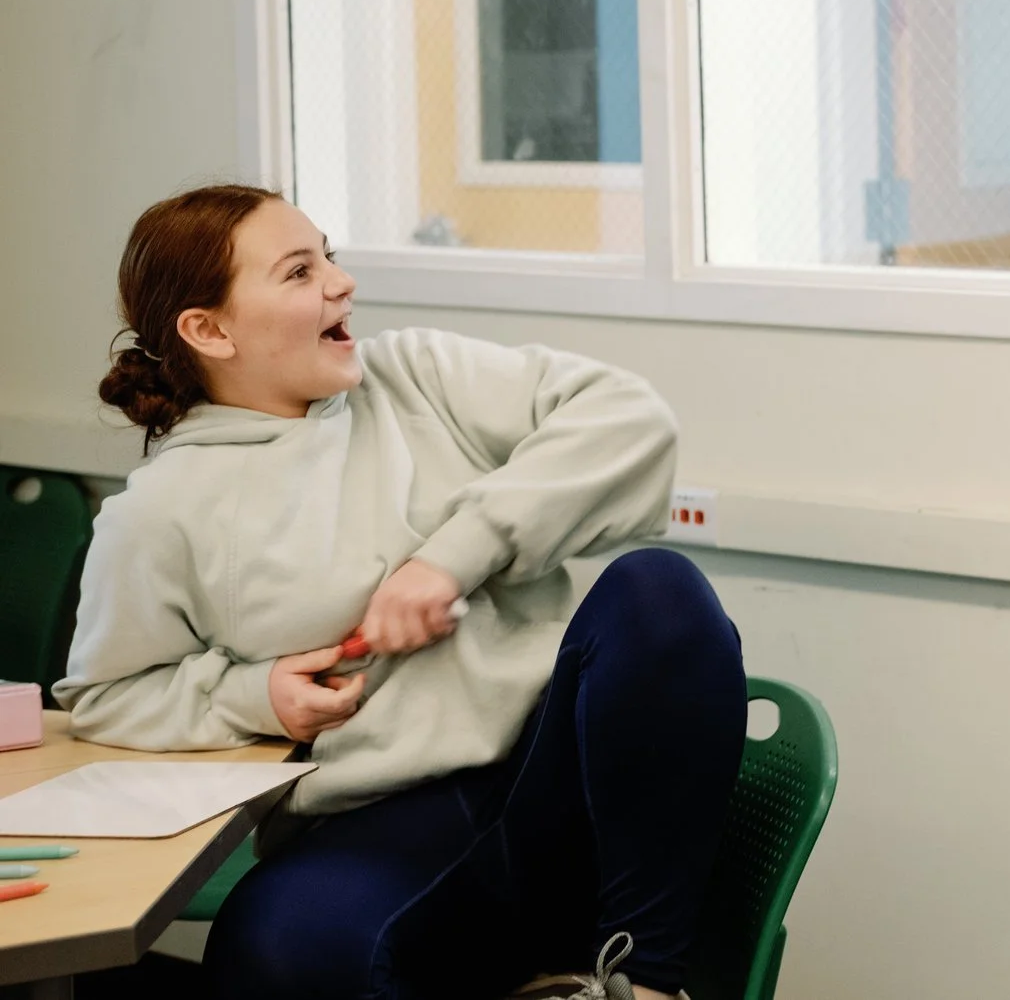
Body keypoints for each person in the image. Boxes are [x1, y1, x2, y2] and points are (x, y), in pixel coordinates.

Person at [58, 184, 747, 1000]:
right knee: (271, 947)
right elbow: (106, 696)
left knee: (659, 591)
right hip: (379, 824)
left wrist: (455, 556)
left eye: (330, 256)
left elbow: (631, 417)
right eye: (298, 270)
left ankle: (645, 984)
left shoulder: (413, 374)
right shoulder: (156, 513)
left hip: (553, 777)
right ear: (209, 329)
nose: (341, 283)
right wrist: (254, 694)